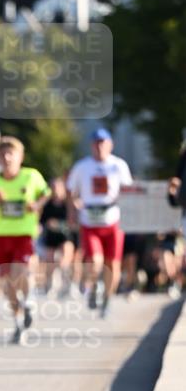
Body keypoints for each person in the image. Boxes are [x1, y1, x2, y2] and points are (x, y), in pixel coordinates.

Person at [0, 136, 49, 344]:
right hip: (1, 235)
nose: (7, 158)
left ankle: (28, 301)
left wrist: (36, 206)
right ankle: (19, 322)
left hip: (24, 234)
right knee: (8, 282)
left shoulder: (31, 176)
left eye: (11, 154)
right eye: (3, 154)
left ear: (20, 157)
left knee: (21, 271)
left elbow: (46, 193)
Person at [67, 127, 133, 317]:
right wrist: (72, 211)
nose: (99, 147)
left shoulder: (118, 165)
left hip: (113, 219)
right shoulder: (82, 166)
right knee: (95, 261)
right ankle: (94, 287)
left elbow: (129, 191)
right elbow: (71, 191)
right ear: (91, 145)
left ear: (110, 145)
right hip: (89, 220)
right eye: (96, 143)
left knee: (113, 262)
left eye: (103, 143)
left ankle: (107, 298)